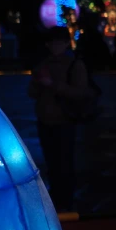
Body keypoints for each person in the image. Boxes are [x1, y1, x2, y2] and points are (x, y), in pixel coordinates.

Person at [28, 26, 92, 212]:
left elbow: (81, 93)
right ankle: (56, 198)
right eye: (52, 43)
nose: (55, 47)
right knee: (51, 162)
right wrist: (39, 84)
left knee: (64, 162)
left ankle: (66, 200)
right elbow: (32, 92)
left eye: (59, 42)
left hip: (65, 119)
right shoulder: (43, 65)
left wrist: (54, 85)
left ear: (66, 44)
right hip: (45, 119)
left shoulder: (74, 65)